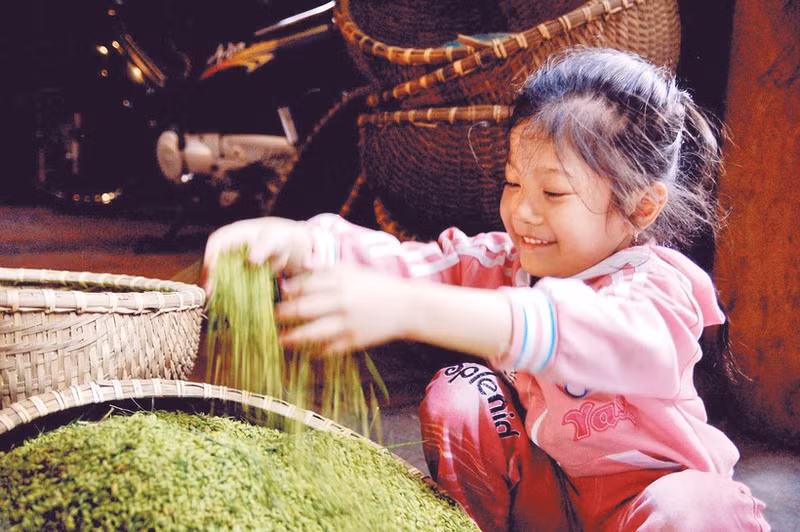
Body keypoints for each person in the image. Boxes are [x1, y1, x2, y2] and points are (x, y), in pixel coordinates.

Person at [202, 47, 770, 531]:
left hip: (647, 505)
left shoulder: (659, 287)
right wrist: (300, 242)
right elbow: (416, 263)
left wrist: (409, 310)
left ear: (640, 206)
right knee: (462, 394)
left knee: (696, 507)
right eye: (513, 182)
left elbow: (594, 333)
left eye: (554, 194)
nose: (522, 211)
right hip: (551, 498)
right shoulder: (507, 262)